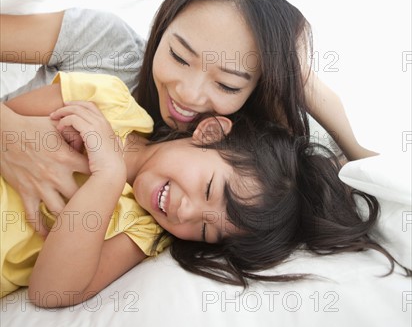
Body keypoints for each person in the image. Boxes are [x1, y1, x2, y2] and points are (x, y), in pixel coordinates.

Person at [0, 0, 377, 234]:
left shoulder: (227, 171)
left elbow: (354, 169)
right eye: (179, 56)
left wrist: (296, 75)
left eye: (228, 84)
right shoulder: (109, 49)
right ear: (163, 24)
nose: (189, 95)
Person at [1, 72, 405, 308]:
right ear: (210, 132)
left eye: (207, 231)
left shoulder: (142, 233)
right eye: (209, 189)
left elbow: (51, 291)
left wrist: (108, 178)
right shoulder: (108, 101)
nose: (187, 213)